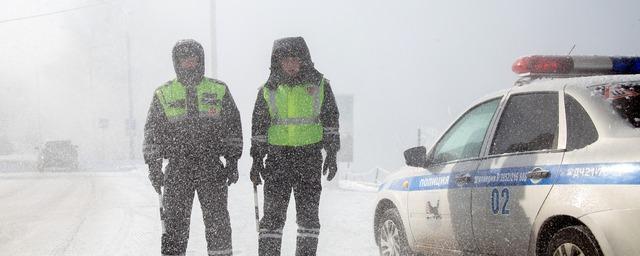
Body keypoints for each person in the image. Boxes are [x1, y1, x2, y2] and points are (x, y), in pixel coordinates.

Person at [143, 39, 242, 256]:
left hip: (211, 167)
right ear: (176, 62)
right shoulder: (164, 93)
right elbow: (152, 133)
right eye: (183, 58)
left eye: (193, 57)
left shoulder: (218, 89)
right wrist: (154, 166)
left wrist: (233, 161)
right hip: (178, 168)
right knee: (175, 226)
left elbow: (232, 127)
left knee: (218, 224)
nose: (189, 62)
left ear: (200, 60)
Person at [249, 36, 340, 256]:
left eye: (295, 59)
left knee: (308, 219)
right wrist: (256, 159)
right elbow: (259, 128)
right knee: (272, 219)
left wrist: (332, 153)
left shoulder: (319, 85)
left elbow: (331, 121)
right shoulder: (268, 90)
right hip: (277, 160)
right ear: (278, 62)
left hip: (309, 158)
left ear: (304, 60)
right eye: (285, 60)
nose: (290, 65)